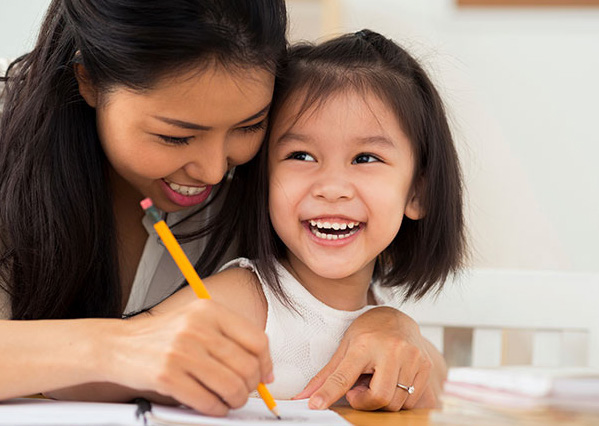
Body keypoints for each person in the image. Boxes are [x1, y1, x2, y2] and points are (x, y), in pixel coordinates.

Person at [0, 0, 449, 416]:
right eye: (175, 136)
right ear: (89, 81)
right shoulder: (13, 162)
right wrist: (119, 348)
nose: (215, 171)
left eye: (249, 126)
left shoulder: (274, 188)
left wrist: (392, 325)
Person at [149, 29, 466, 411]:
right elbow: (119, 357)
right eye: (301, 155)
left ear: (418, 193)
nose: (331, 188)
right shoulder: (246, 299)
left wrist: (394, 321)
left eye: (366, 158)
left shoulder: (382, 313)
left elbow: (439, 374)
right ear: (264, 179)